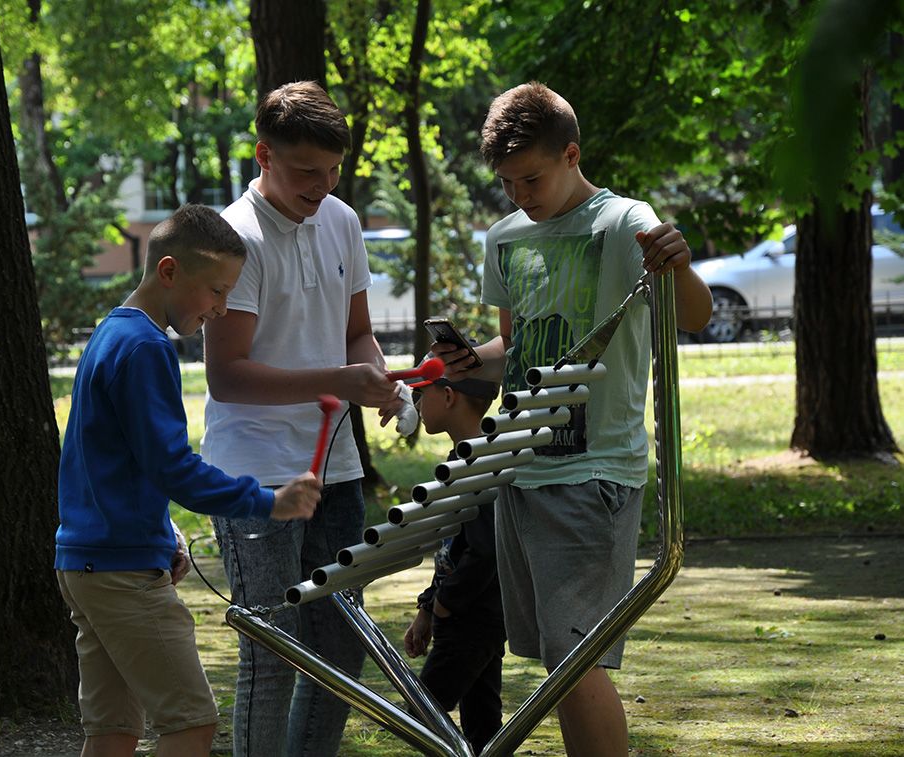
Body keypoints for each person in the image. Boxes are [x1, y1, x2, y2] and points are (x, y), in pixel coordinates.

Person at [434, 82, 713, 757]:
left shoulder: (623, 221)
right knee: (557, 660)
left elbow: (694, 316)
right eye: (507, 182)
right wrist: (472, 358)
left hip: (595, 469)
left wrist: (679, 262)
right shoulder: (504, 237)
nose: (520, 194)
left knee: (575, 654)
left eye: (531, 177)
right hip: (519, 470)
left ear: (571, 154)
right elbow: (518, 349)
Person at [55, 203, 322, 757]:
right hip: (122, 572)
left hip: (88, 561)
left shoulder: (112, 332)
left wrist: (162, 533)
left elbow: (115, 462)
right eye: (216, 291)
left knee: (112, 732)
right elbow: (173, 467)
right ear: (170, 271)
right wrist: (269, 502)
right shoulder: (146, 347)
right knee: (191, 725)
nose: (222, 308)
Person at [201, 80, 408, 757]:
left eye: (332, 170)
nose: (321, 186)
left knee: (341, 647)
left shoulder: (342, 220)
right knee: (272, 648)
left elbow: (355, 335)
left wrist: (378, 383)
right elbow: (226, 374)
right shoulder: (236, 237)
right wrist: (339, 379)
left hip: (336, 469)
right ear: (263, 154)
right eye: (305, 172)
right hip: (255, 475)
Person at [402, 369, 506, 754]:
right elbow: (453, 546)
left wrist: (444, 605)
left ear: (448, 397)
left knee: (420, 714)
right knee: (483, 723)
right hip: (469, 612)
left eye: (421, 394)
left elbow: (484, 550)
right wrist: (428, 607)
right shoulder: (463, 458)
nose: (416, 404)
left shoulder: (479, 462)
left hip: (472, 615)